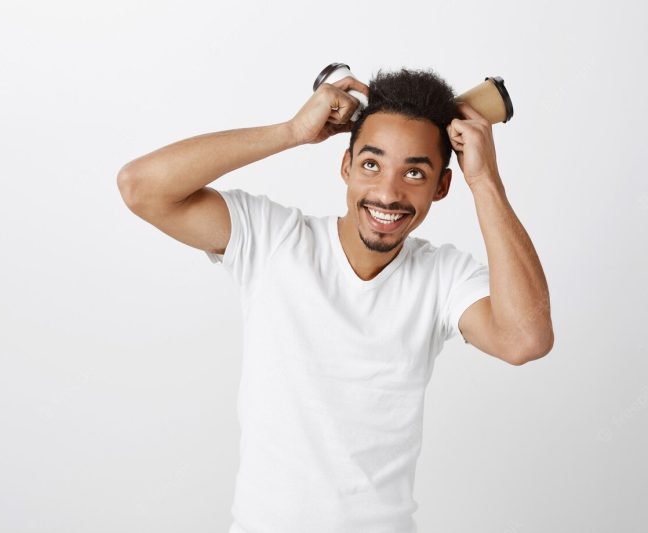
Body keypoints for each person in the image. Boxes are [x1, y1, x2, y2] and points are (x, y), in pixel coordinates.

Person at [117, 67, 554, 533]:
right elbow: (141, 187)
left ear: (442, 187)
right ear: (345, 166)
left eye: (414, 172)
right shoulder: (273, 240)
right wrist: (289, 132)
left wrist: (485, 181)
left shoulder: (442, 277)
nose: (388, 192)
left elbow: (524, 339)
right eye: (371, 164)